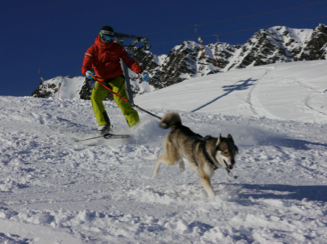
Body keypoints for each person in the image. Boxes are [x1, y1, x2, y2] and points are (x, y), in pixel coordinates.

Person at [82, 26, 149, 134]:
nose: (108, 41)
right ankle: (104, 125)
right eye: (105, 38)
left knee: (121, 101)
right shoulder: (92, 50)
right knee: (95, 98)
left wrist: (140, 72)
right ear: (100, 36)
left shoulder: (118, 48)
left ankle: (136, 126)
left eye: (111, 39)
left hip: (116, 79)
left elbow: (130, 61)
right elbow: (86, 64)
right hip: (102, 80)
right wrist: (86, 71)